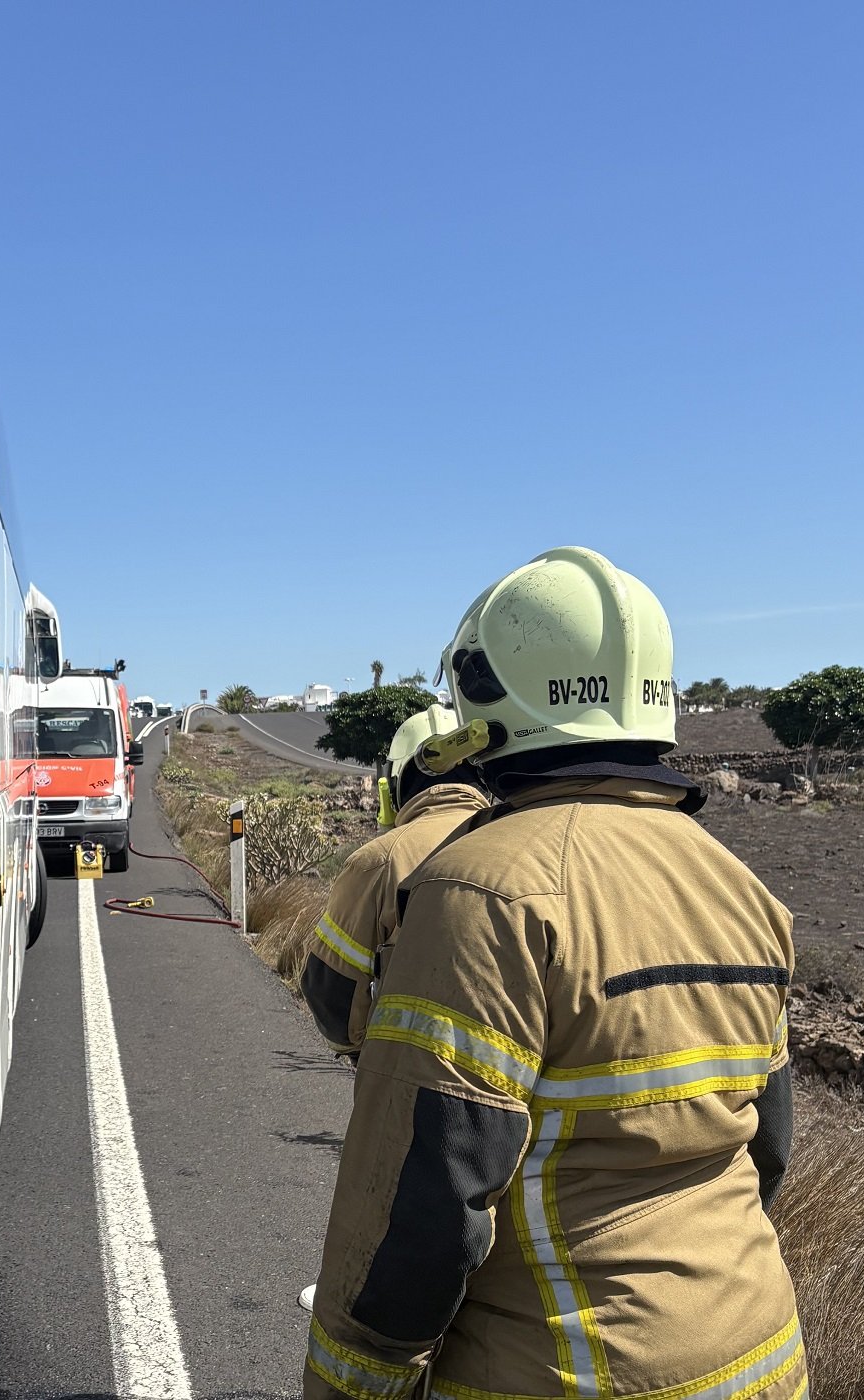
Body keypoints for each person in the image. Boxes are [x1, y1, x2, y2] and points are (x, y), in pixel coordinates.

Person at [304, 546, 802, 1400]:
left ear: (486, 694)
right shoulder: (740, 886)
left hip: (570, 1370)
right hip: (760, 1353)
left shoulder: (478, 889)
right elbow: (767, 1149)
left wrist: (351, 1379)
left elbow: (424, 1201)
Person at [300, 702, 490, 1059]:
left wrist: (360, 1054)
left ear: (393, 784)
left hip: (411, 1080)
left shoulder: (379, 862)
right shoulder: (525, 841)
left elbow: (329, 991)